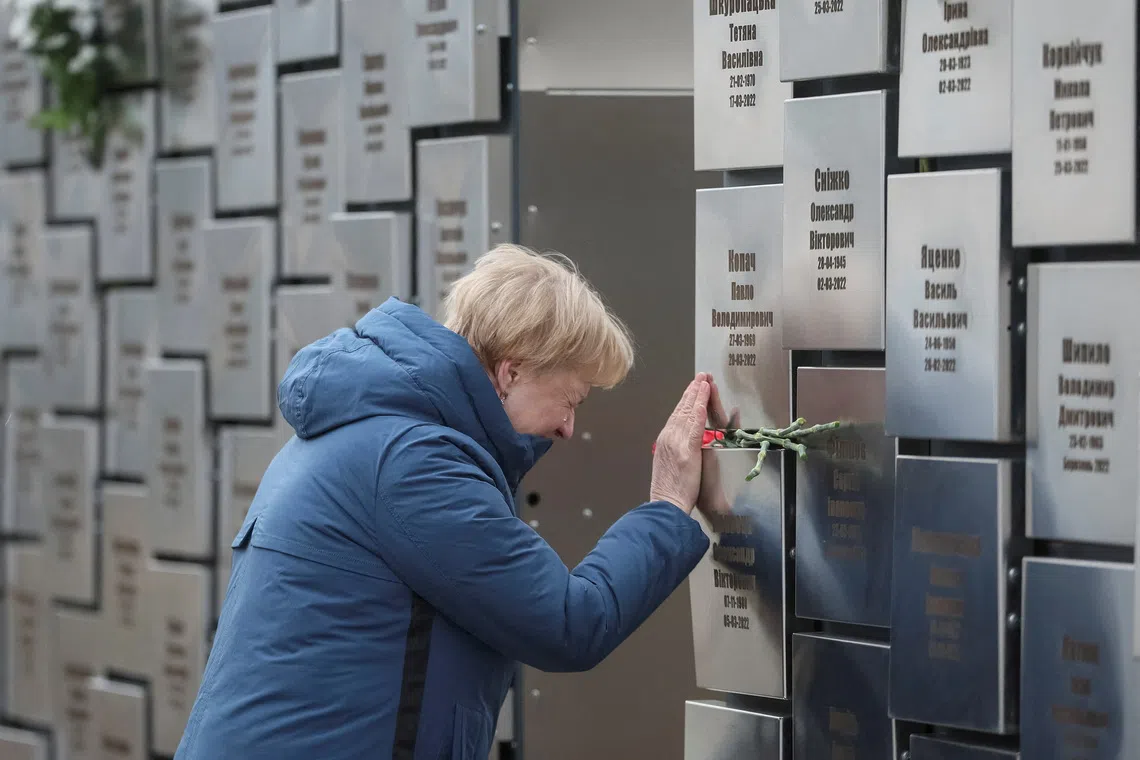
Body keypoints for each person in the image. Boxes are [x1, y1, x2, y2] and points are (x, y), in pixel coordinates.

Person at [174, 244, 729, 760]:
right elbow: (570, 622)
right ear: (511, 371)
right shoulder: (413, 463)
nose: (567, 427)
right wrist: (666, 502)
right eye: (569, 399)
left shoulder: (374, 432)